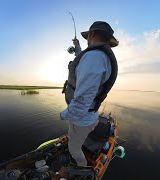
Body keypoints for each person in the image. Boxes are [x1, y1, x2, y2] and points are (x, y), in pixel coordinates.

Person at [60, 21, 119, 167]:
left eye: (88, 36)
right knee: (75, 139)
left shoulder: (94, 58)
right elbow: (83, 60)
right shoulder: (96, 57)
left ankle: (83, 169)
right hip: (87, 117)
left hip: (81, 118)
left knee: (73, 148)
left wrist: (63, 115)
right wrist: (78, 46)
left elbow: (81, 102)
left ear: (92, 34)